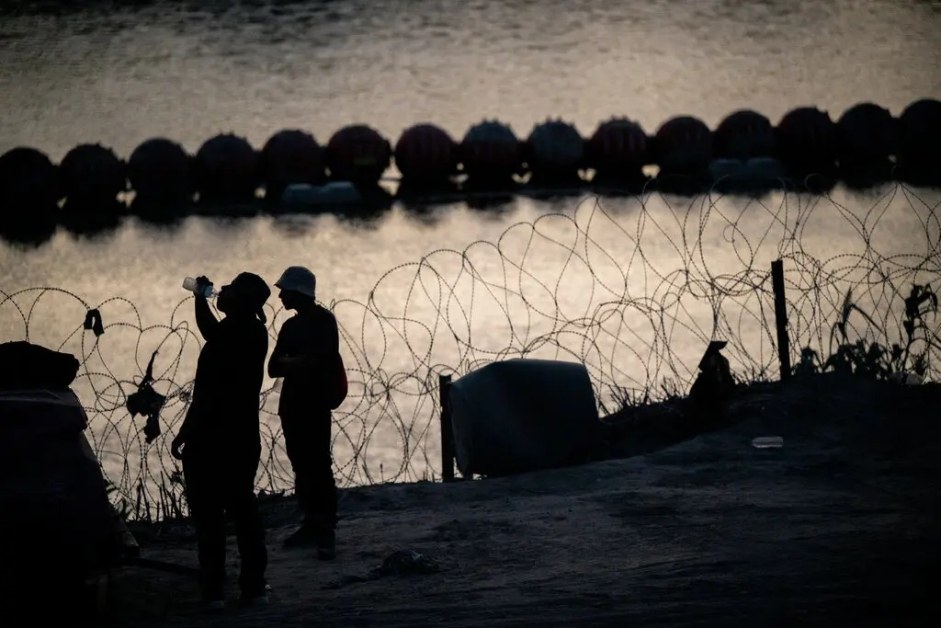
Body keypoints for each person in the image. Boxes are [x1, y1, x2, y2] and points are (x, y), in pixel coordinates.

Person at [171, 272, 271, 607]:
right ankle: (249, 586)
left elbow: (208, 392)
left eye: (230, 288)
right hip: (234, 435)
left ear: (242, 300)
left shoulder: (239, 332)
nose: (223, 290)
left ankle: (219, 589)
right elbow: (211, 337)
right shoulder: (249, 330)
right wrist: (200, 298)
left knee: (213, 515)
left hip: (217, 437)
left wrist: (199, 297)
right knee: (238, 511)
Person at [268, 265, 339, 559]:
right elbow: (273, 368)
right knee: (301, 466)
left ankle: (326, 531)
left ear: (298, 292)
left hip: (315, 403)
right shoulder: (289, 327)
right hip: (293, 406)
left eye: (285, 290)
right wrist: (299, 362)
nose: (281, 295)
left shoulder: (323, 321)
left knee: (319, 465)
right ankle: (311, 524)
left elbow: (323, 361)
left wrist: (293, 362)